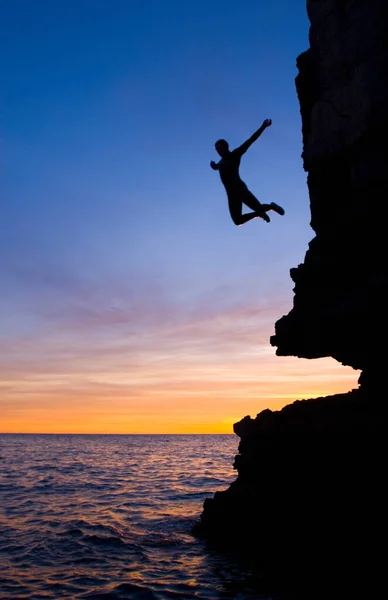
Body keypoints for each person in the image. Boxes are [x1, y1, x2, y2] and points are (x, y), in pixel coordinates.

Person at [210, 118, 285, 226]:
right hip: (231, 195)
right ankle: (259, 213)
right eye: (216, 149)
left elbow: (250, 141)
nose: (218, 151)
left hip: (240, 190)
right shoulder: (221, 163)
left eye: (220, 148)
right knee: (237, 220)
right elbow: (218, 167)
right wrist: (214, 167)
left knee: (258, 208)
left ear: (226, 147)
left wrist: (263, 127)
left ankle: (272, 206)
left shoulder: (235, 155)